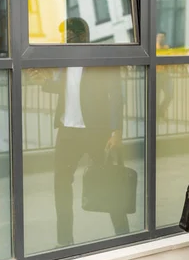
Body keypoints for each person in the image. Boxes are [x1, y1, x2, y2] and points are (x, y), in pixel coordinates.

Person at [38, 17, 129, 247]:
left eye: (68, 36)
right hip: (67, 132)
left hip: (96, 132)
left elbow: (117, 96)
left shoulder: (101, 59)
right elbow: (64, 88)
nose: (64, 41)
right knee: (61, 184)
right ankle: (64, 241)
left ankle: (124, 236)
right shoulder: (65, 60)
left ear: (81, 36)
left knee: (109, 183)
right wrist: (43, 82)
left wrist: (116, 131)